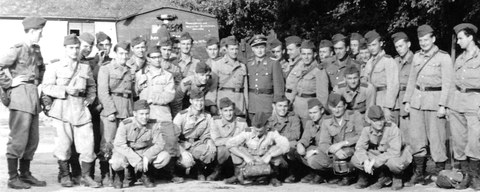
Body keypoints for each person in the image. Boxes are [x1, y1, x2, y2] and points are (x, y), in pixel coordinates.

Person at [42, 34, 99, 188]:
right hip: (62, 110)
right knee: (63, 145)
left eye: (76, 47)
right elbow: (46, 87)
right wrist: (66, 90)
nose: (74, 51)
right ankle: (65, 175)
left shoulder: (85, 67)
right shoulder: (55, 66)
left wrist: (91, 98)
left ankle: (86, 176)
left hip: (81, 110)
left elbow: (92, 86)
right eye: (71, 48)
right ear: (65, 49)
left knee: (87, 144)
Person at [0, 16, 47, 189]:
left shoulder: (36, 49)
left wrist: (37, 81)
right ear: (32, 31)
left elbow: (41, 68)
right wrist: (9, 83)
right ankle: (13, 178)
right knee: (19, 139)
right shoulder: (17, 49)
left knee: (32, 139)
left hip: (33, 96)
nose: (42, 35)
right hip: (20, 97)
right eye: (40, 32)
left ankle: (25, 174)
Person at [403, 24, 452, 185]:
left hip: (435, 101)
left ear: (433, 39)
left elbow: (448, 84)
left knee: (437, 138)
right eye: (421, 40)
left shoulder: (443, 57)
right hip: (417, 101)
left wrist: (443, 105)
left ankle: (440, 173)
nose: (423, 43)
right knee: (416, 138)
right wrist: (407, 100)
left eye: (426, 40)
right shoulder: (416, 56)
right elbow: (412, 80)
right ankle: (419, 172)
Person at [97, 41, 135, 186]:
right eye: (121, 53)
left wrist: (131, 113)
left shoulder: (130, 70)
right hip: (111, 110)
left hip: (126, 110)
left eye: (126, 53)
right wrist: (110, 111)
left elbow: (131, 93)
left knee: (125, 143)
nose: (124, 56)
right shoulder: (106, 69)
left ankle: (120, 176)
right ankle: (106, 174)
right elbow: (103, 91)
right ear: (115, 54)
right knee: (107, 144)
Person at [447, 23, 480, 190]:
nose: (458, 42)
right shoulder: (459, 59)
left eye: (460, 38)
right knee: (459, 141)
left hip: (475, 102)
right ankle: (466, 175)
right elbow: (452, 83)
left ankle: (475, 176)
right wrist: (448, 105)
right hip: (457, 103)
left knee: (475, 141)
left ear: (470, 37)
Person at [110, 100, 171, 189]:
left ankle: (145, 174)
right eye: (141, 114)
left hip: (144, 150)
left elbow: (160, 143)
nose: (145, 117)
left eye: (147, 114)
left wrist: (147, 156)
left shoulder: (153, 124)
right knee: (117, 162)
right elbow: (119, 145)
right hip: (127, 152)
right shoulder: (125, 124)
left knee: (165, 156)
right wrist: (137, 160)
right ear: (135, 113)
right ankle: (120, 176)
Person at [351, 105, 412, 190]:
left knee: (394, 164)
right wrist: (365, 160)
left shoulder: (392, 127)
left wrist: (374, 161)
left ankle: (397, 176)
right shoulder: (366, 129)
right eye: (375, 121)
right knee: (356, 159)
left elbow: (395, 152)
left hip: (398, 154)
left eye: (381, 119)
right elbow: (360, 148)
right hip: (382, 155)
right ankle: (379, 176)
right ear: (369, 120)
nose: (379, 123)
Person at [226, 112, 290, 187]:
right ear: (253, 126)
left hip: (265, 160)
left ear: (266, 126)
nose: (257, 133)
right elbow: (229, 143)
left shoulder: (272, 131)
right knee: (236, 152)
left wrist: (270, 155)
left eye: (261, 131)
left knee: (276, 150)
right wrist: (245, 156)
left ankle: (273, 177)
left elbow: (286, 145)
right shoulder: (248, 130)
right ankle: (239, 175)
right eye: (256, 131)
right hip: (250, 160)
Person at [316, 93, 364, 185]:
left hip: (353, 149)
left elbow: (361, 135)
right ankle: (336, 174)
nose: (336, 110)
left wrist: (343, 143)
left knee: (345, 153)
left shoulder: (354, 115)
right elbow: (323, 143)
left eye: (339, 107)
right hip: (337, 152)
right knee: (314, 160)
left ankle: (351, 174)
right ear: (329, 107)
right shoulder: (326, 121)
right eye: (333, 107)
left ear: (345, 106)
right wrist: (334, 150)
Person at [173, 89, 216, 180]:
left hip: (196, 144)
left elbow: (207, 133)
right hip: (182, 144)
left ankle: (197, 170)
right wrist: (182, 152)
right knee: (186, 161)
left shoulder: (207, 116)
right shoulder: (181, 116)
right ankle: (178, 172)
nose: (199, 103)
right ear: (191, 101)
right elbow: (173, 138)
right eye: (196, 100)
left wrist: (209, 141)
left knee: (210, 152)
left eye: (201, 100)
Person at [362, 30, 400, 124]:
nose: (371, 48)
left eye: (374, 45)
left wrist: (388, 107)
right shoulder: (369, 63)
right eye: (369, 46)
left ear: (381, 43)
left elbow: (393, 85)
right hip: (374, 100)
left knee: (389, 131)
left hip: (386, 99)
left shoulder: (388, 60)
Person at [247, 34, 286, 120]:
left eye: (261, 47)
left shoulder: (273, 63)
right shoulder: (249, 64)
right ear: (252, 49)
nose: (259, 50)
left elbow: (278, 87)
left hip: (267, 105)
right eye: (256, 48)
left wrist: (277, 105)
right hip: (252, 105)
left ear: (266, 48)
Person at [291, 40, 329, 124]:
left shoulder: (319, 70)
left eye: (309, 54)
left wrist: (319, 113)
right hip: (296, 109)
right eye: (304, 54)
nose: (306, 57)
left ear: (314, 54)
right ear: (300, 55)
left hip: (309, 111)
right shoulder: (299, 68)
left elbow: (323, 96)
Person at [210, 97, 248, 181]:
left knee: (240, 149)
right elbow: (216, 140)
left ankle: (238, 173)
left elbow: (247, 139)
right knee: (222, 150)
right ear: (220, 112)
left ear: (234, 110)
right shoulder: (215, 121)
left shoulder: (242, 122)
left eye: (230, 110)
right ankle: (217, 171)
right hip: (223, 150)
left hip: (237, 150)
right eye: (225, 111)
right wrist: (233, 140)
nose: (229, 113)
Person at [210, 36, 248, 117]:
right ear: (226, 49)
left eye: (236, 49)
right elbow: (213, 87)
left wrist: (247, 106)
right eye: (232, 49)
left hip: (239, 104)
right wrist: (212, 104)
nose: (234, 52)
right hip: (224, 103)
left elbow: (245, 88)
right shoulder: (218, 64)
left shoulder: (242, 66)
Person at [135, 44, 176, 122]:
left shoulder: (168, 75)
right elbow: (134, 94)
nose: (157, 60)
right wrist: (138, 86)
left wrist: (152, 99)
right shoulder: (140, 74)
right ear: (148, 59)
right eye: (154, 57)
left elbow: (170, 95)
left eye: (159, 57)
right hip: (144, 117)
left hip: (162, 115)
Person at [267, 95, 302, 183]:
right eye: (280, 106)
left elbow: (296, 134)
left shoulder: (293, 118)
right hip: (276, 148)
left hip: (288, 147)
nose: (283, 109)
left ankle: (291, 173)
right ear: (274, 106)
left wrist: (278, 136)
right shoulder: (269, 120)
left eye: (285, 106)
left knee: (293, 145)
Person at [295, 99, 327, 184]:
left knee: (312, 159)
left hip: (327, 152)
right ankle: (315, 172)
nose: (312, 116)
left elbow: (328, 144)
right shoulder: (310, 123)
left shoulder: (328, 122)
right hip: (317, 150)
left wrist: (314, 151)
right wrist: (300, 144)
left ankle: (323, 174)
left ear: (322, 110)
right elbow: (305, 138)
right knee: (296, 152)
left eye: (315, 112)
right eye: (310, 113)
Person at [392, 32, 414, 141]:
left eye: (401, 46)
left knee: (410, 132)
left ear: (408, 44)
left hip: (410, 99)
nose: (399, 49)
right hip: (397, 101)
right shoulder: (395, 61)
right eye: (396, 47)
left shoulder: (415, 60)